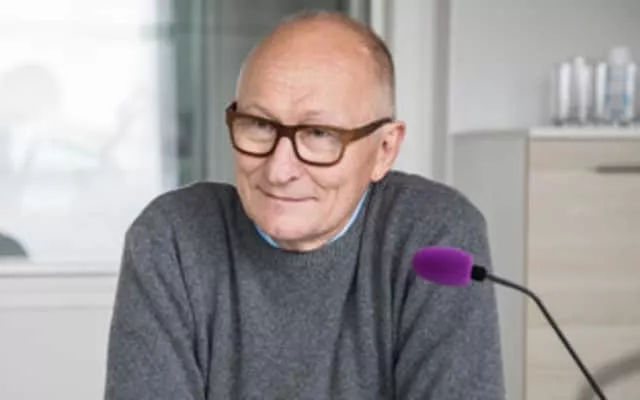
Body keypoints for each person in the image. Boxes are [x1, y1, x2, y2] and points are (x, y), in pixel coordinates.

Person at [105, 10, 505, 400]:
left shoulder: (433, 236)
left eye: (319, 134)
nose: (279, 170)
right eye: (260, 125)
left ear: (385, 149)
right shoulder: (173, 238)